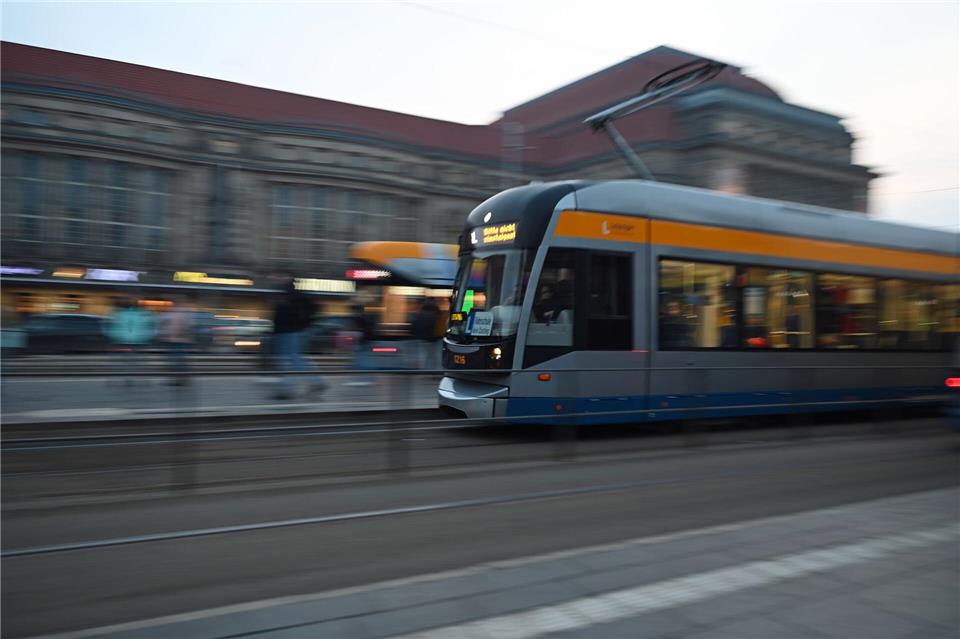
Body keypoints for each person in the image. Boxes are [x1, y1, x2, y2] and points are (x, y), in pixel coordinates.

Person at [271, 279, 326, 399]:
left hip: (288, 332)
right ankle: (313, 383)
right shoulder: (295, 295)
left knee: (291, 360)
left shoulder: (289, 295)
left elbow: (281, 316)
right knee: (293, 360)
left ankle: (312, 383)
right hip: (291, 331)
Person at [106, 297, 156, 385]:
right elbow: (151, 326)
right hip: (139, 341)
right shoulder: (143, 314)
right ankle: (142, 380)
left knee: (123, 361)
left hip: (122, 340)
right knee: (139, 361)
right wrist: (147, 337)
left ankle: (123, 379)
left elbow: (110, 325)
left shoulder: (119, 314)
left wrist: (113, 335)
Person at [159, 295, 196, 385]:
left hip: (179, 341)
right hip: (173, 340)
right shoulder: (176, 313)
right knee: (176, 361)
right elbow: (164, 324)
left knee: (177, 361)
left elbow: (189, 326)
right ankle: (178, 379)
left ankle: (180, 379)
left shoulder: (181, 313)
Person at [411, 298, 441, 370]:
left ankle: (423, 369)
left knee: (424, 355)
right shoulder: (436, 313)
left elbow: (415, 325)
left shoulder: (420, 312)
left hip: (421, 338)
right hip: (432, 339)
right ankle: (433, 370)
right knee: (433, 356)